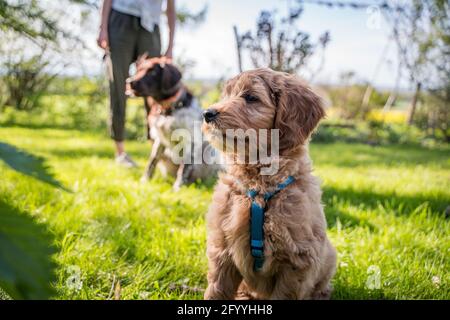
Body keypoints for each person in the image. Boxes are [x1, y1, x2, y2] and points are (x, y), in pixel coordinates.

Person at [97, 0, 176, 167]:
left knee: (155, 93)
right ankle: (120, 152)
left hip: (150, 26)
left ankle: (156, 151)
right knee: (118, 87)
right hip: (120, 20)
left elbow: (170, 8)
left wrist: (170, 46)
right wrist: (102, 27)